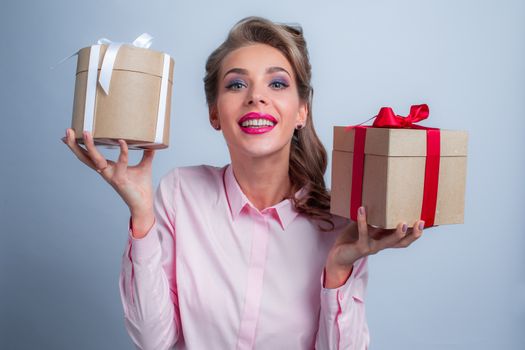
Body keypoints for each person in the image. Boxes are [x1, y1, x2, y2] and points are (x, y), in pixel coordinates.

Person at [63, 16, 424, 350]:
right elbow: (152, 340)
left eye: (277, 83)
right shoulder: (180, 193)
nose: (256, 96)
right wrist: (142, 215)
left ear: (302, 111)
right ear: (215, 113)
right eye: (236, 84)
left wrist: (339, 268)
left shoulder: (340, 224)